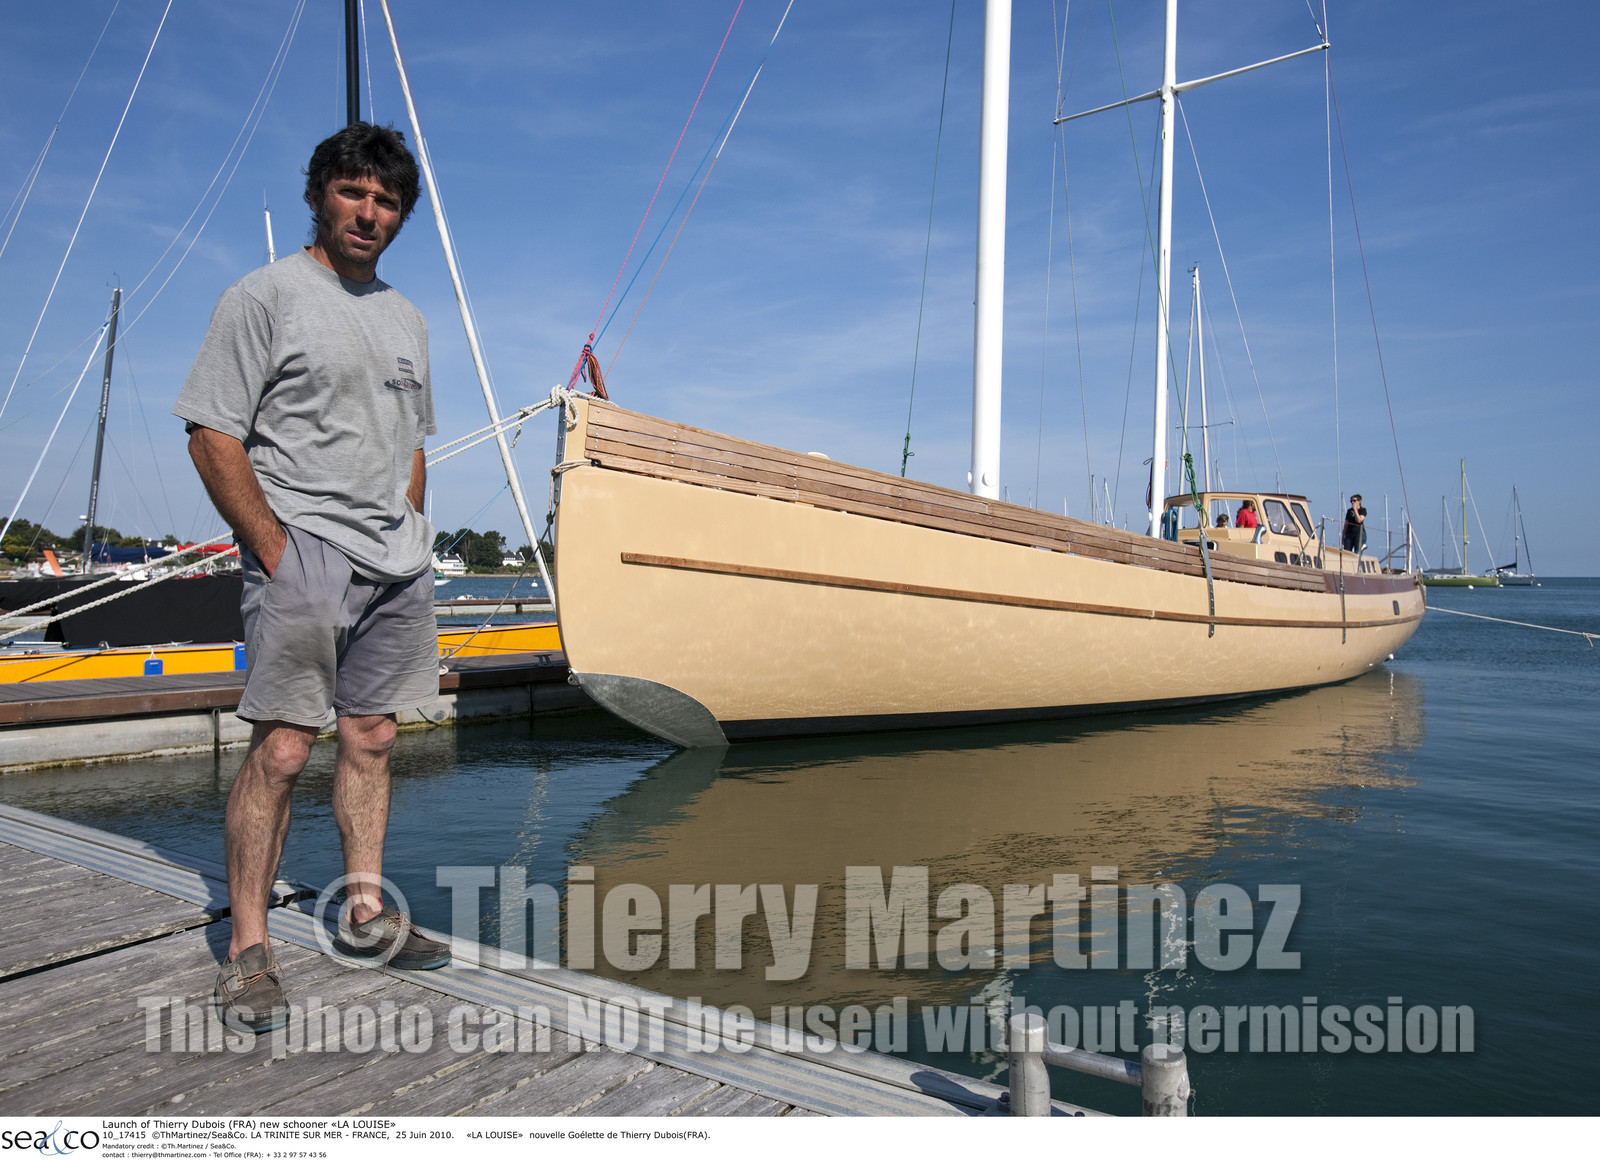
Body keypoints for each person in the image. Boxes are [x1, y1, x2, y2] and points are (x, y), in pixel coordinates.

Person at [174, 123, 449, 1033]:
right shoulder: (265, 297)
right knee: (285, 747)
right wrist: (275, 549)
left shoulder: (406, 317)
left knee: (371, 737)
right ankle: (249, 949)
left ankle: (365, 914)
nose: (369, 213)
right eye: (354, 193)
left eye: (387, 201)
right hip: (304, 550)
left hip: (396, 561)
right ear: (320, 196)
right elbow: (213, 432)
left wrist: (410, 523)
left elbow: (412, 443)